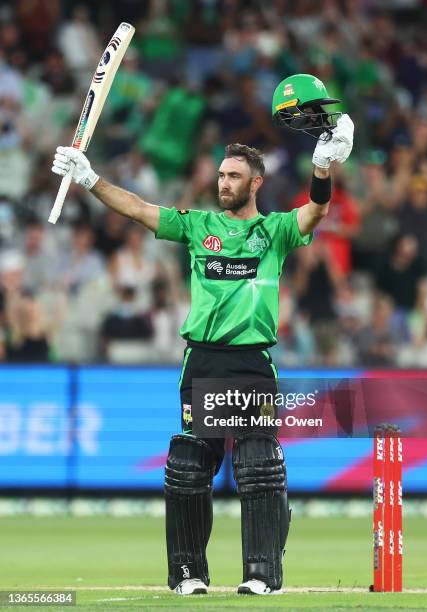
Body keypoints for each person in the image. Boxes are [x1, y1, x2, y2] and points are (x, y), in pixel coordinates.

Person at [52, 74, 354, 596]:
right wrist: (90, 179)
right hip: (205, 361)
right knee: (190, 466)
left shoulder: (275, 232)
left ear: (256, 182)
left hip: (253, 362)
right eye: (220, 175)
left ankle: (262, 575)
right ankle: (188, 574)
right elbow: (141, 209)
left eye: (234, 176)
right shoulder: (196, 226)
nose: (223, 183)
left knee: (258, 464)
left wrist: (322, 166)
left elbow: (317, 209)